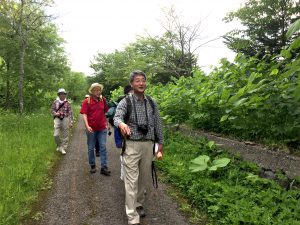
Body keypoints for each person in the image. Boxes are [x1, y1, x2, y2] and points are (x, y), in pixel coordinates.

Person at [114, 70, 163, 225]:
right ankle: (132, 216)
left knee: (143, 179)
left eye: (143, 80)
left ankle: (138, 203)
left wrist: (160, 143)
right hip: (131, 145)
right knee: (131, 181)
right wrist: (121, 124)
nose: (141, 83)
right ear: (131, 84)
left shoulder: (151, 102)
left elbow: (157, 123)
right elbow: (117, 116)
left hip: (148, 144)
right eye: (137, 81)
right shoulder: (125, 101)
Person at [80, 83, 111, 175]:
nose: (98, 92)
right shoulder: (87, 101)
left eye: (99, 90)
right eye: (95, 90)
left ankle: (104, 167)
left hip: (102, 128)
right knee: (90, 148)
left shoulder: (103, 100)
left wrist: (107, 123)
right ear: (92, 91)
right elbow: (84, 114)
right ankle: (93, 165)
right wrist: (87, 126)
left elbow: (106, 112)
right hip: (91, 129)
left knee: (103, 147)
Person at [51, 88, 73, 155]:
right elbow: (52, 110)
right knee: (56, 135)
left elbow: (70, 113)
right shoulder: (55, 102)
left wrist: (71, 121)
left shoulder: (68, 103)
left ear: (65, 95)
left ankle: (63, 148)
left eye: (63, 94)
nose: (62, 95)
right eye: (61, 94)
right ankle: (59, 145)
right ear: (59, 95)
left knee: (65, 134)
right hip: (57, 118)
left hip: (65, 118)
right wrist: (55, 113)